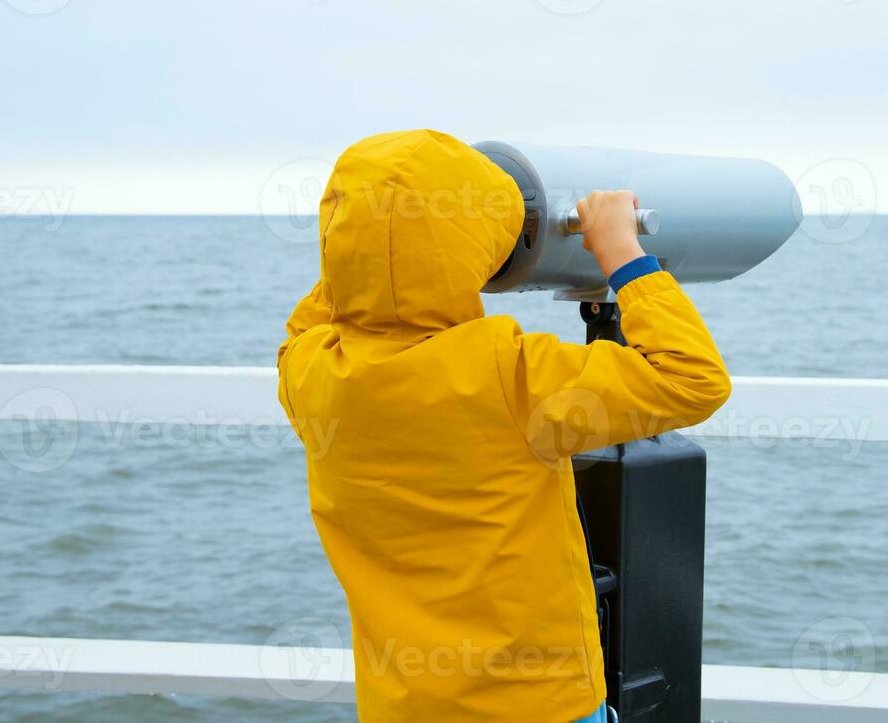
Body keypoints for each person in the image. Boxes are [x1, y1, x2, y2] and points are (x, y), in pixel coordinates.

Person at [276, 130, 732, 722]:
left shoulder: (312, 373)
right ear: (475, 246)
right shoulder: (510, 373)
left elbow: (321, 312)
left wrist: (370, 234)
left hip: (403, 706)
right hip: (539, 704)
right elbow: (693, 379)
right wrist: (622, 252)